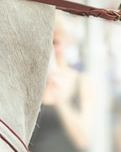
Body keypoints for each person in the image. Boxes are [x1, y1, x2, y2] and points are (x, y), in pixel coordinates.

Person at [29, 11, 94, 151]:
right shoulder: (31, 82)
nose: (51, 50)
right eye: (47, 43)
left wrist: (60, 101)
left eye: (56, 43)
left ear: (67, 43)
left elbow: (82, 138)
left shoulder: (81, 82)